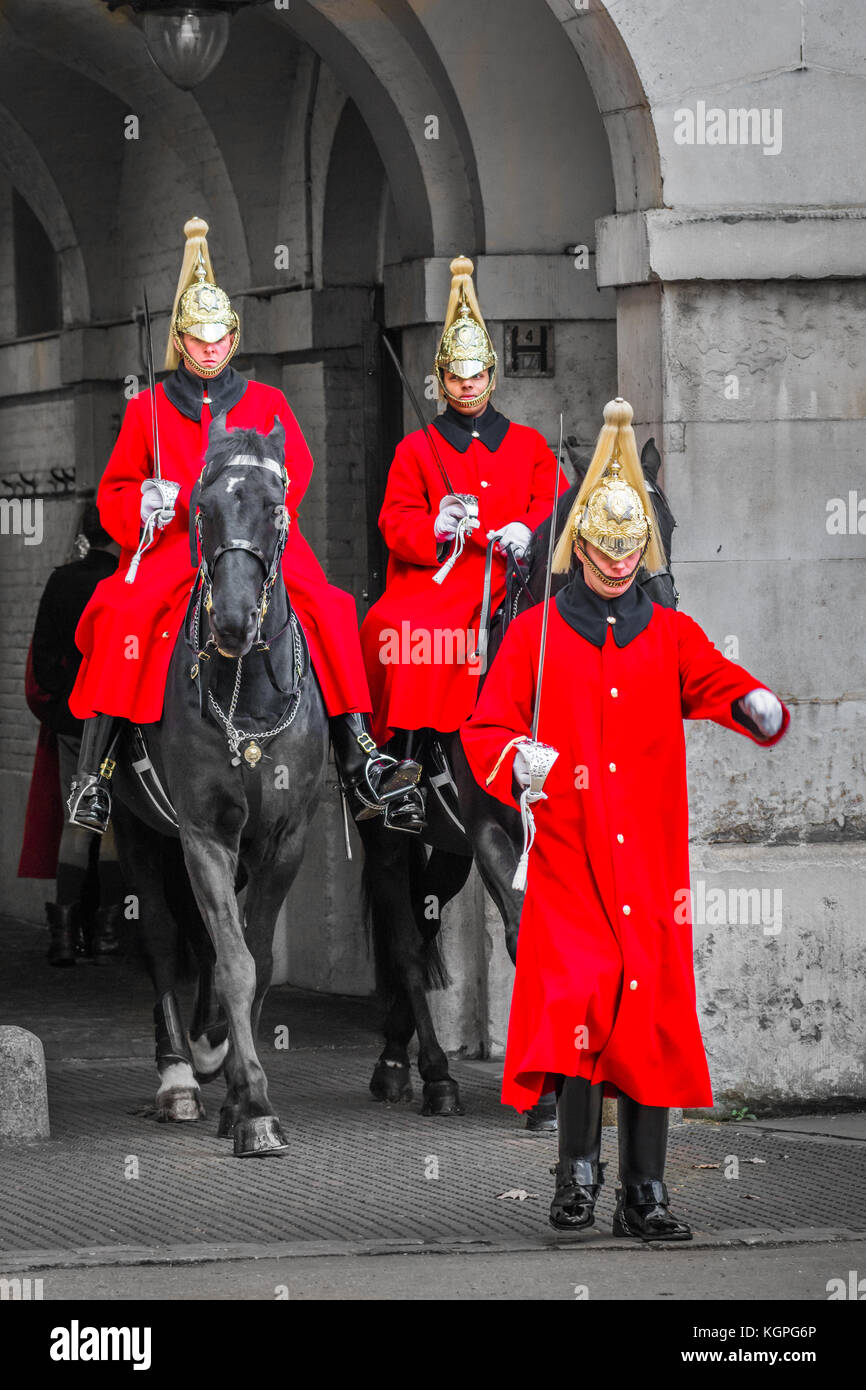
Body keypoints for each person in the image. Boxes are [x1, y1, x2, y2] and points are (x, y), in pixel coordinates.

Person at [461, 397, 790, 1241]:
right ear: (582, 545)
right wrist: (517, 763)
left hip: (646, 864)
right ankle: (574, 1177)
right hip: (570, 856)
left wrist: (753, 702)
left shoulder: (672, 631)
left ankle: (644, 1192)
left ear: (643, 546)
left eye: (630, 548)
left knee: (644, 1018)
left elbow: (717, 681)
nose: (617, 562)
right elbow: (487, 727)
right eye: (605, 549)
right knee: (580, 1008)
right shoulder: (534, 633)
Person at [66, 217, 420, 834]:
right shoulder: (146, 409)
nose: (209, 349)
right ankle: (95, 773)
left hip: (256, 546)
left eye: (219, 337)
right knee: (121, 616)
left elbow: (298, 465)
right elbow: (114, 494)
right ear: (180, 339)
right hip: (177, 546)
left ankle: (359, 751)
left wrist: (268, 504)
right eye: (197, 339)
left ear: (234, 336)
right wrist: (144, 507)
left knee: (334, 608)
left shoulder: (266, 401)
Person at [359, 256, 567, 827]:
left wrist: (530, 527)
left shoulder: (527, 444)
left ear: (492, 376)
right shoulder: (415, 447)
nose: (467, 385)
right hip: (439, 575)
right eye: (456, 376)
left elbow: (558, 502)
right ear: (441, 379)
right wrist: (437, 527)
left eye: (476, 375)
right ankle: (403, 765)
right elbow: (395, 519)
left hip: (513, 571)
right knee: (401, 629)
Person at [19, 503, 125, 965]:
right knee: (115, 826)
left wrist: (65, 706)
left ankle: (64, 936)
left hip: (75, 719)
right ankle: (105, 931)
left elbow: (43, 656)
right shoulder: (127, 584)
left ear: (84, 533)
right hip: (123, 718)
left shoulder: (62, 581)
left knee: (77, 819)